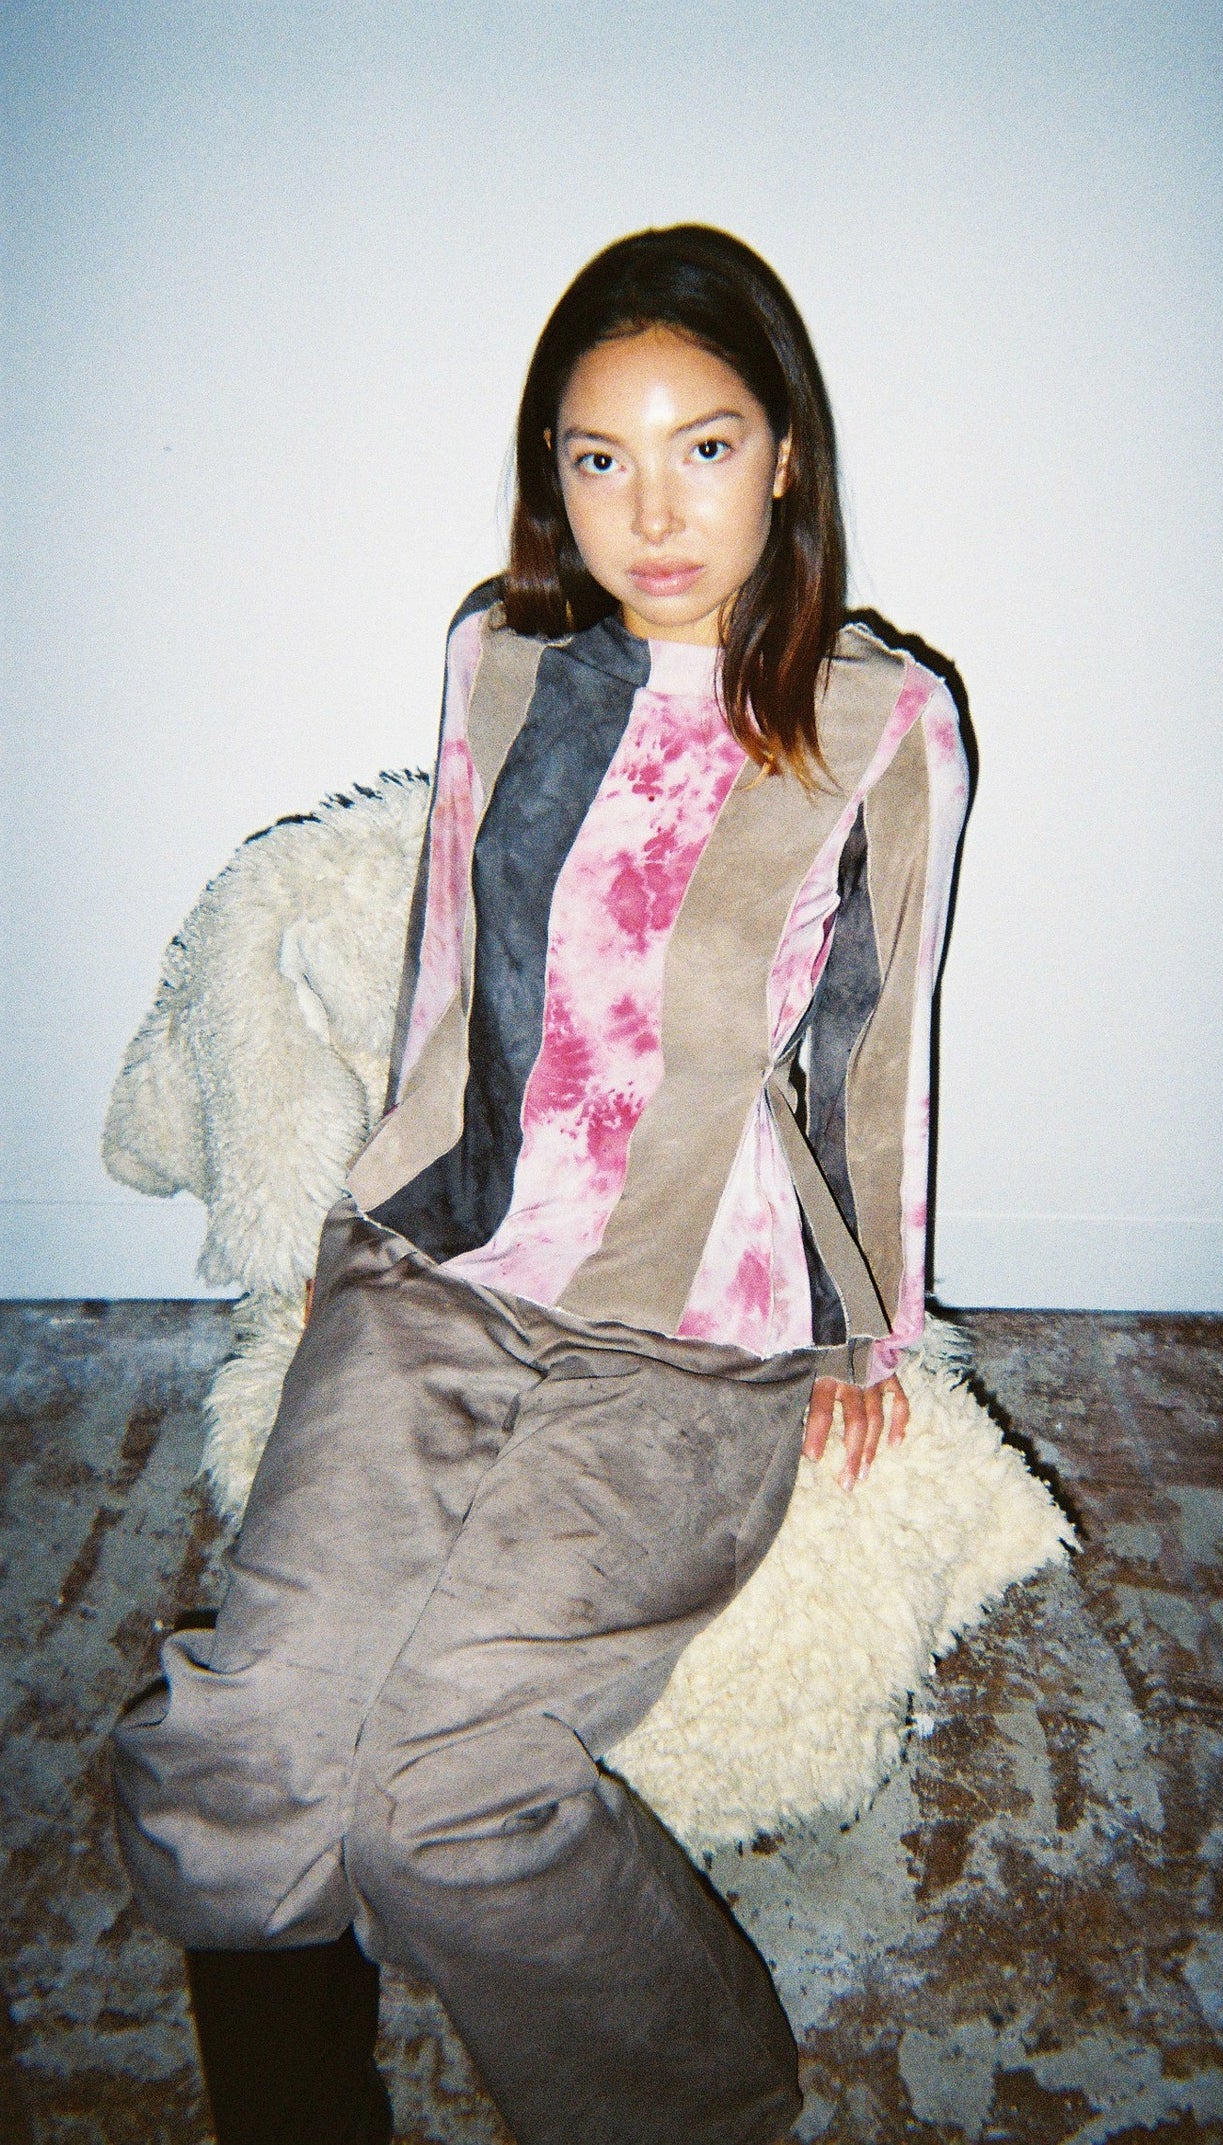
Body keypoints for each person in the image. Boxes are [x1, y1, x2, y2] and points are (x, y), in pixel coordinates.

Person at [110, 223, 971, 2145]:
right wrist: (360, 1224)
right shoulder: (494, 664)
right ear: (550, 478)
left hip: (692, 1333)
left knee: (448, 1790)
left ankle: (698, 2106)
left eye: (702, 447)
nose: (651, 511)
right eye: (599, 458)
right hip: (443, 1266)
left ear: (785, 459)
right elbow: (451, 967)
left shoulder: (878, 724)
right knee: (236, 1750)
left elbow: (872, 1043)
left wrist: (871, 1328)